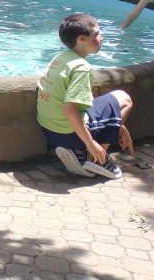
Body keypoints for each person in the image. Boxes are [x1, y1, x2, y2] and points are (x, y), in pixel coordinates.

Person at [36, 13, 132, 179]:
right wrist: (91, 144)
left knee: (106, 105)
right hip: (69, 134)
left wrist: (119, 126)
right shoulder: (82, 68)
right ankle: (97, 158)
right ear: (81, 39)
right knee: (124, 98)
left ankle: (78, 152)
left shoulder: (60, 58)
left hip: (49, 132)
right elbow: (71, 110)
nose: (101, 38)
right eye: (97, 34)